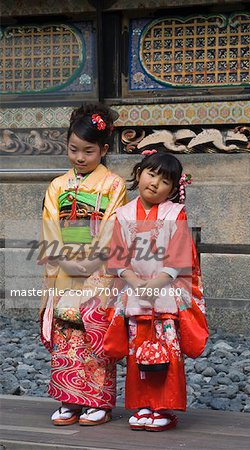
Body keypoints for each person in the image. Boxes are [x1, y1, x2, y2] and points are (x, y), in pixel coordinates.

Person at [105, 150, 209, 431]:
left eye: (165, 181)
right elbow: (116, 257)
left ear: (174, 189)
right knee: (137, 349)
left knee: (166, 350)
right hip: (135, 288)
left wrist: (158, 281)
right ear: (139, 173)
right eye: (151, 174)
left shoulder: (176, 215)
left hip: (166, 291)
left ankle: (162, 407)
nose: (154, 183)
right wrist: (137, 282)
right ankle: (141, 406)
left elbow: (179, 256)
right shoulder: (123, 214)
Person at [39, 103, 127, 426]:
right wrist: (62, 259)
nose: (79, 157)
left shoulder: (114, 185)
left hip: (97, 271)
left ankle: (99, 401)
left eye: (87, 151)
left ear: (103, 150)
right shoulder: (57, 186)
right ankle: (68, 398)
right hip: (63, 267)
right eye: (73, 149)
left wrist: (91, 261)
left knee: (93, 331)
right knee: (65, 330)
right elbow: (50, 225)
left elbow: (113, 227)